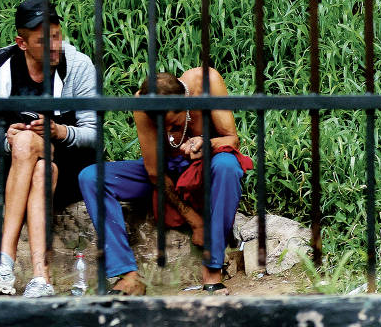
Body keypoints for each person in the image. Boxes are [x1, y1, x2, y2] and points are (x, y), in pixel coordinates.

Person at [78, 69, 252, 295]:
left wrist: (205, 142)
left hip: (206, 166)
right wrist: (196, 222)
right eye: (162, 127)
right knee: (91, 177)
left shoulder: (205, 82)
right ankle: (129, 276)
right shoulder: (142, 102)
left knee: (228, 165)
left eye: (175, 126)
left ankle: (212, 270)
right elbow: (154, 172)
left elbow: (232, 140)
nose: (169, 134)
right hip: (167, 171)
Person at [0, 0, 97, 297]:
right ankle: (41, 277)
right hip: (23, 169)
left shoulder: (77, 66)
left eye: (56, 35)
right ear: (22, 43)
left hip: (70, 170)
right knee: (35, 162)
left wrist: (60, 131)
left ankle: (4, 262)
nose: (54, 46)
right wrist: (5, 140)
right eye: (43, 41)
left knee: (29, 146)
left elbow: (94, 133)